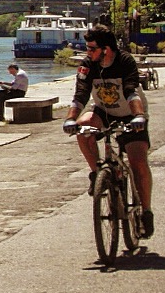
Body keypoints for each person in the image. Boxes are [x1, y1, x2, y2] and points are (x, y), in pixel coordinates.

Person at [62, 24, 154, 239]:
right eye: (87, 48)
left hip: (132, 112)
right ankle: (97, 173)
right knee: (83, 129)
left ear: (106, 49)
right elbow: (81, 95)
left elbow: (131, 90)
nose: (88, 52)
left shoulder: (124, 61)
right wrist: (70, 118)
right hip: (103, 111)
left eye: (92, 48)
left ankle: (146, 211)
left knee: (138, 161)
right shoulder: (88, 65)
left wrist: (139, 117)